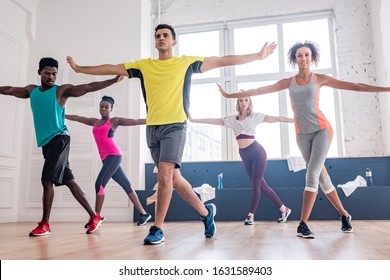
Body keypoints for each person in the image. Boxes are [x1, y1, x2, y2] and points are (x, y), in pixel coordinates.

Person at [66, 23, 277, 245]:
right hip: (153, 128)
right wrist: (80, 69)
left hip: (175, 126)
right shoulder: (143, 66)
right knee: (174, 179)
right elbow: (110, 68)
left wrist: (257, 56)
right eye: (157, 36)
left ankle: (157, 228)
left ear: (173, 41)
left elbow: (222, 60)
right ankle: (206, 213)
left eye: (166, 35)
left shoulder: (185, 63)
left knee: (164, 175)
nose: (161, 38)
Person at [218, 41, 390, 238]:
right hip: (302, 135)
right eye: (299, 55)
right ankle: (345, 215)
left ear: (312, 57)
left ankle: (302, 224)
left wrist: (386, 89)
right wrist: (230, 95)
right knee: (323, 179)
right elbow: (259, 90)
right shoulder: (288, 82)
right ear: (294, 59)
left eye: (307, 55)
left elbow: (355, 86)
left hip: (322, 131)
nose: (303, 58)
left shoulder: (320, 79)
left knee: (312, 174)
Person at [0, 57, 122, 236]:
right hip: (47, 144)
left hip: (60, 139)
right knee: (69, 181)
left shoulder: (61, 91)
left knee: (46, 179)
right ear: (39, 72)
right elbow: (10, 90)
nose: (51, 77)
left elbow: (89, 87)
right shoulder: (31, 90)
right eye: (47, 73)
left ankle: (45, 224)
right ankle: (94, 216)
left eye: (54, 74)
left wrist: (112, 80)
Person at [190, 96, 293, 225]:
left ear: (250, 102)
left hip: (257, 152)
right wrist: (194, 119)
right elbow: (214, 121)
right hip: (244, 154)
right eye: (240, 100)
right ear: (237, 103)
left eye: (246, 100)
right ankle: (284, 209)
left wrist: (295, 120)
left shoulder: (256, 117)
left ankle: (250, 216)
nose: (243, 103)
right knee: (262, 185)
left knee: (256, 185)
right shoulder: (232, 119)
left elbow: (278, 118)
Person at [65, 95, 152, 227]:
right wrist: (62, 114)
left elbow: (135, 121)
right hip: (106, 159)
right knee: (126, 185)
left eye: (106, 107)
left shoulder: (114, 121)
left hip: (114, 155)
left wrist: (153, 120)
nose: (103, 109)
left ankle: (96, 217)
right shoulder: (94, 122)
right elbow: (78, 118)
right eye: (101, 106)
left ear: (111, 109)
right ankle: (143, 213)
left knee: (99, 184)